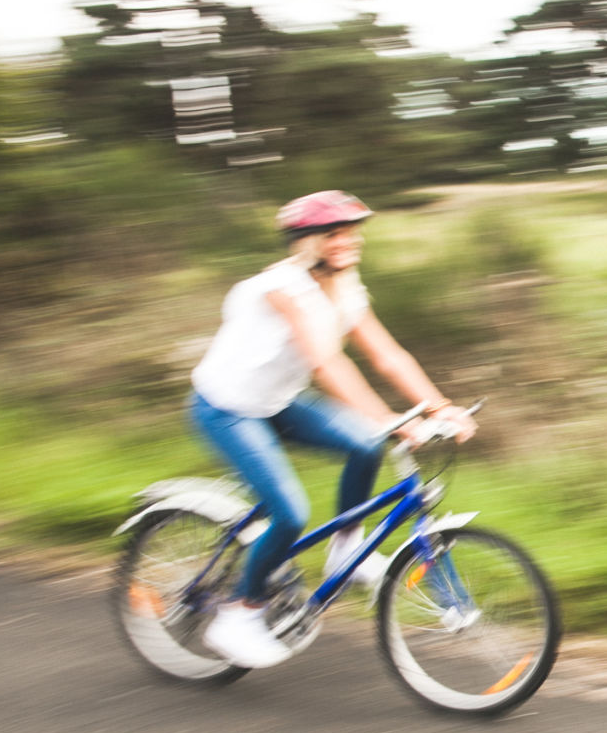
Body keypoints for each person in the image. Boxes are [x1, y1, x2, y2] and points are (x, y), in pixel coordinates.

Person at [187, 190, 475, 670]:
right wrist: (390, 419)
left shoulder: (347, 288)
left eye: (352, 232)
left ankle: (347, 552)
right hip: (227, 409)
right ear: (305, 242)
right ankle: (239, 612)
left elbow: (388, 355)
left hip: (278, 402)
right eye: (334, 233)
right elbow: (325, 361)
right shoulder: (283, 287)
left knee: (365, 443)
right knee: (289, 512)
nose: (348, 241)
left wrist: (441, 406)